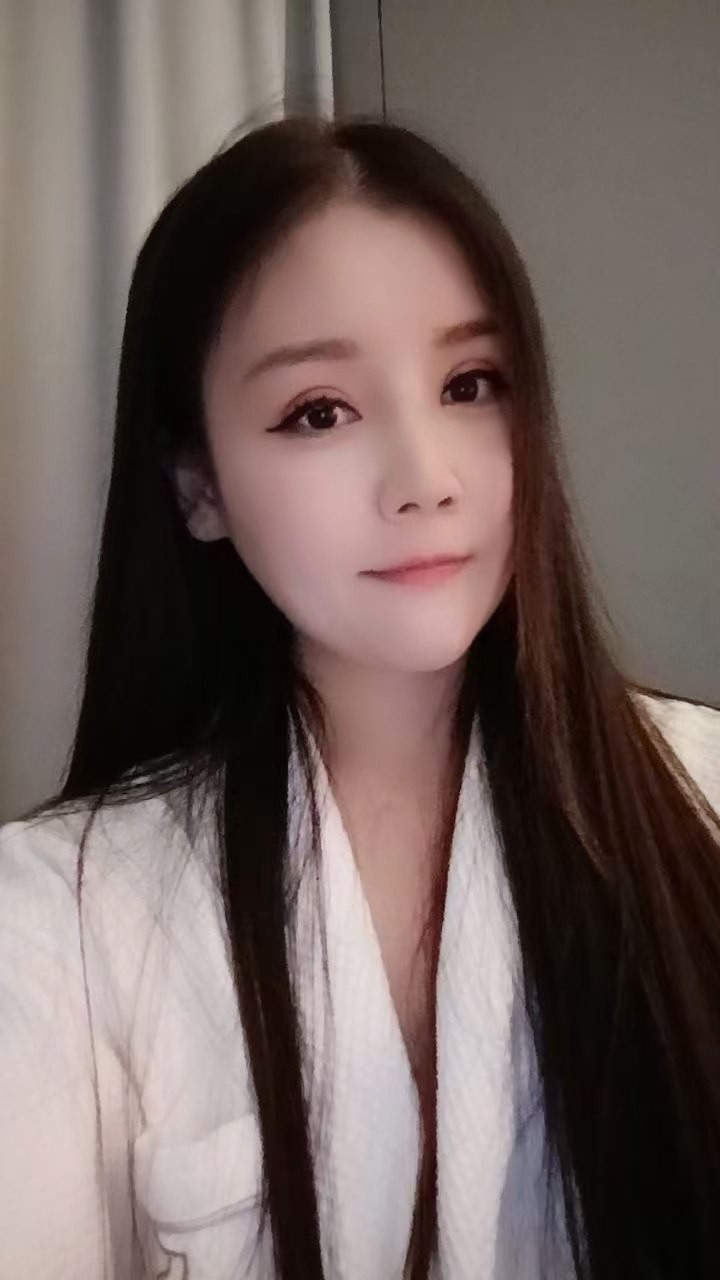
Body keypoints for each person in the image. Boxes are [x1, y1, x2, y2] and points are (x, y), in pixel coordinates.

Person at [0, 111, 718, 1280]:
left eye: (471, 383)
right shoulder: (58, 917)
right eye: (319, 411)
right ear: (199, 485)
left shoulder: (701, 797)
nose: (425, 479)